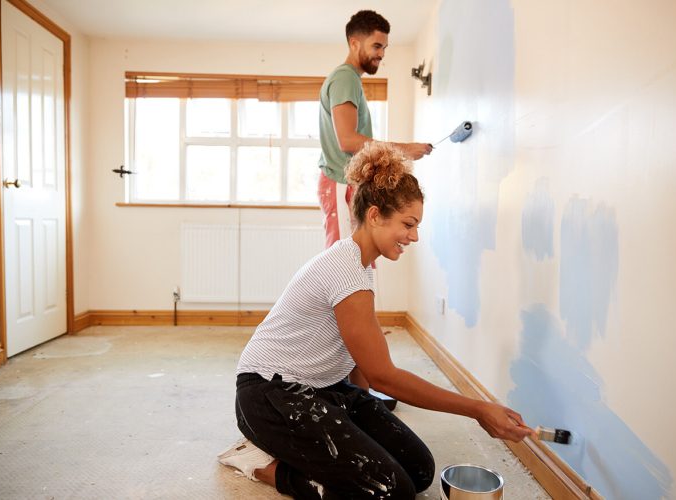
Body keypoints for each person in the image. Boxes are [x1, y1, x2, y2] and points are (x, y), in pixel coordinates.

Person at [219, 142, 534, 499]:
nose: (414, 236)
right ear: (373, 216)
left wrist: (360, 425)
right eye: (408, 224)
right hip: (269, 395)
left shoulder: (361, 265)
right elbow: (385, 375)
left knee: (419, 470)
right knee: (390, 491)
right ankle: (259, 462)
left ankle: (308, 452)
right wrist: (478, 409)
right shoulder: (345, 272)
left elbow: (358, 361)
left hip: (323, 387)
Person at [318, 9, 433, 248]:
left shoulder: (350, 80)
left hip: (347, 184)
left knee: (357, 259)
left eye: (385, 48)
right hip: (340, 181)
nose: (381, 54)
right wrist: (404, 150)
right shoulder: (344, 79)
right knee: (344, 263)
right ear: (354, 43)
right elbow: (348, 140)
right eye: (376, 46)